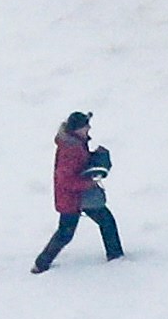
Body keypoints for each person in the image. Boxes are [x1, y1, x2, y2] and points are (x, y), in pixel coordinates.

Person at [32, 110, 122, 272]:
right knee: (66, 233)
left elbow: (79, 165)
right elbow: (66, 180)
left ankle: (41, 264)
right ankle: (41, 264)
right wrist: (88, 183)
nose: (89, 128)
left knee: (102, 222)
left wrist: (95, 158)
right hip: (73, 197)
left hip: (79, 195)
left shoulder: (76, 142)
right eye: (86, 126)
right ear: (77, 129)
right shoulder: (70, 149)